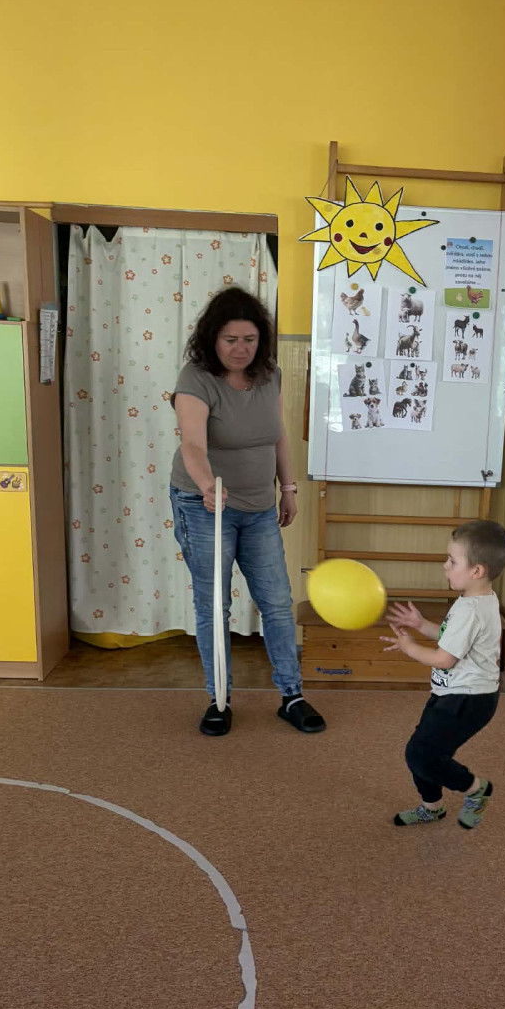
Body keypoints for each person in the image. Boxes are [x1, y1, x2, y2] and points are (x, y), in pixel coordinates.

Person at [169, 287, 325, 736]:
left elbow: (277, 435)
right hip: (205, 506)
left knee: (276, 602)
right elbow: (193, 444)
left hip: (258, 507)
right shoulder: (196, 378)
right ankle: (218, 699)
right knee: (213, 605)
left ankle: (292, 696)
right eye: (231, 340)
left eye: (250, 339)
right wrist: (206, 486)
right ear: (212, 339)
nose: (241, 349)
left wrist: (288, 489)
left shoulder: (269, 375)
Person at [381, 520, 505, 829]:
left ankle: (475, 789)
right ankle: (432, 808)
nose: (445, 566)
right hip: (455, 695)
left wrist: (409, 647)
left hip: (467, 700)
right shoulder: (478, 599)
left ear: (476, 571)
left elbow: (444, 659)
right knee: (426, 753)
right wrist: (421, 625)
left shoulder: (471, 610)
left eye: (452, 561)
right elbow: (451, 638)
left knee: (420, 754)